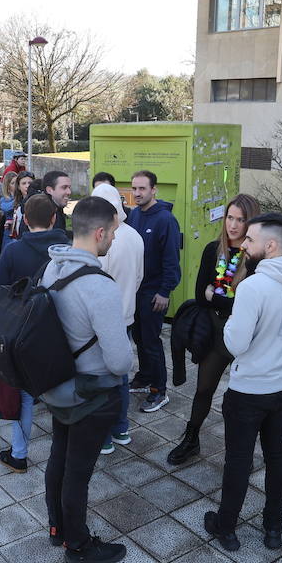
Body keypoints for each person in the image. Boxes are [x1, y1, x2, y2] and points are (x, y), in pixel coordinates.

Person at [204, 212, 282, 552]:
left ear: (270, 246)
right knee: (277, 456)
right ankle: (273, 528)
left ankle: (226, 527)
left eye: (250, 240)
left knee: (239, 460)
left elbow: (235, 344)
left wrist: (231, 320)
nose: (244, 245)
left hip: (249, 390)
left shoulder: (253, 287)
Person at [40, 196, 133, 563]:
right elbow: (119, 361)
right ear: (99, 233)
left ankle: (57, 528)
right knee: (78, 472)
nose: (114, 238)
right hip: (91, 395)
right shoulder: (99, 286)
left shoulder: (52, 268)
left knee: (59, 459)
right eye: (113, 232)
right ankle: (78, 544)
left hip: (58, 385)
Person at [169, 194, 262, 466]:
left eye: (241, 220)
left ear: (251, 223)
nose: (233, 225)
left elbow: (253, 304)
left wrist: (217, 297)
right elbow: (201, 296)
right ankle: (191, 438)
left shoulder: (257, 257)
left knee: (245, 397)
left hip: (247, 335)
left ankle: (243, 451)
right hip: (217, 332)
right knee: (204, 388)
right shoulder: (214, 250)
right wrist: (225, 300)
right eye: (230, 218)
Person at [0, 195, 70, 473]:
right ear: (54, 218)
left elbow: (0, 291)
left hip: (23, 332)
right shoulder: (68, 249)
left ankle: (19, 454)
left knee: (24, 395)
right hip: (60, 329)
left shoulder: (13, 251)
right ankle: (66, 452)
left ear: (25, 220)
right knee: (61, 389)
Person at [91, 183, 144, 455]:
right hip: (127, 314)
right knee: (121, 376)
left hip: (105, 320)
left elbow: (96, 283)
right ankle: (121, 429)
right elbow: (138, 278)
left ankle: (104, 437)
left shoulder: (102, 238)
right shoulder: (134, 235)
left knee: (104, 379)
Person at [125, 170, 182, 414]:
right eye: (134, 188)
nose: (137, 193)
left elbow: (172, 260)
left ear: (154, 190)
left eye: (142, 189)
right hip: (136, 290)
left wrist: (165, 291)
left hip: (154, 292)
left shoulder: (166, 220)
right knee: (139, 338)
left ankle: (159, 390)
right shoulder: (134, 215)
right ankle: (145, 377)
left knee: (151, 341)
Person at [21, 171, 72, 236]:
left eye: (69, 187)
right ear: (49, 190)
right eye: (64, 187)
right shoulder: (40, 211)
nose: (69, 192)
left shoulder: (56, 207)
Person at [3, 172, 34, 251]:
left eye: (30, 183)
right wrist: (13, 222)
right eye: (24, 183)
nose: (27, 186)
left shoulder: (35, 201)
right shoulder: (18, 201)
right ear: (19, 187)